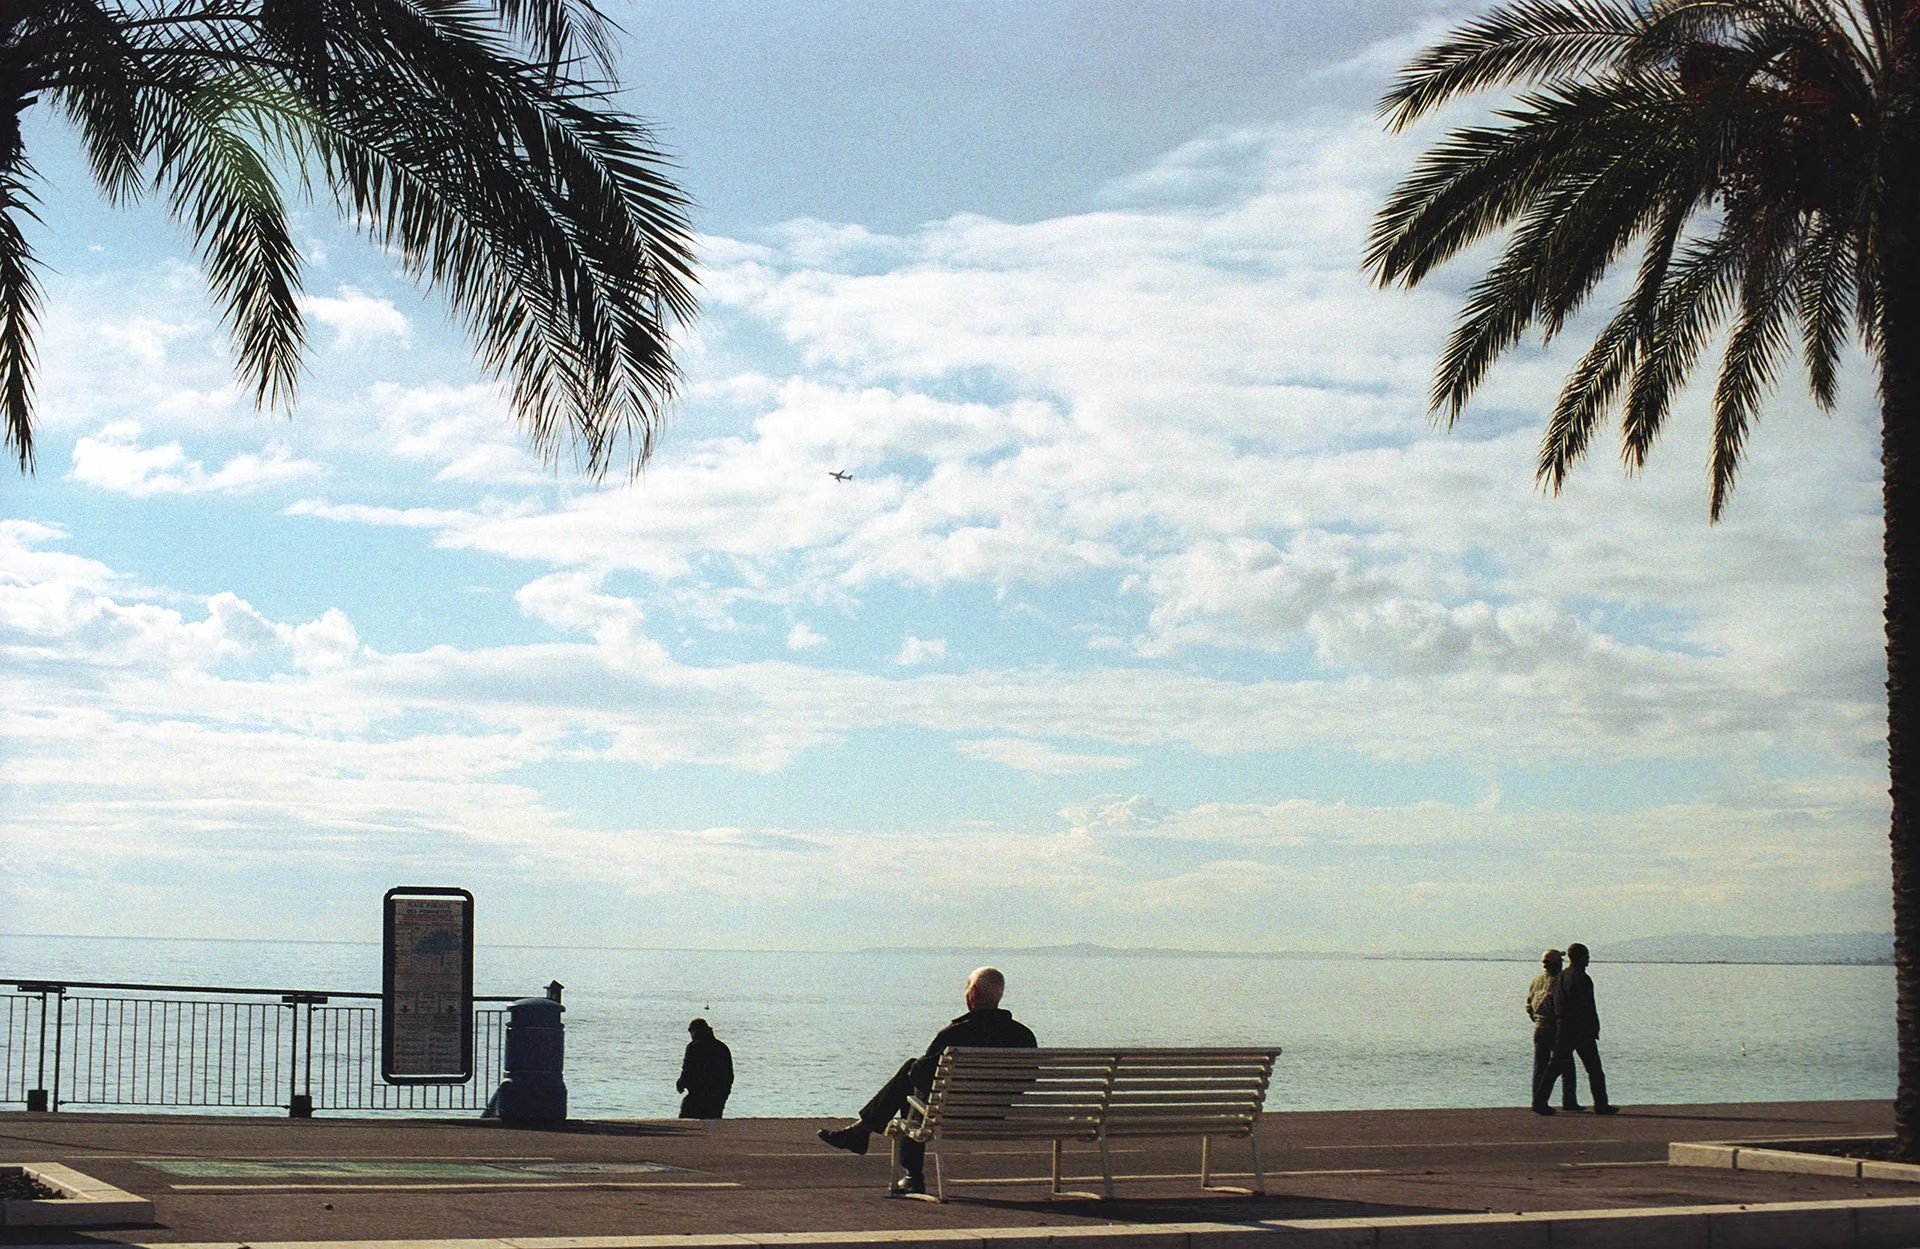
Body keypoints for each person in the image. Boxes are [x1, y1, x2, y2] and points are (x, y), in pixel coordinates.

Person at [816, 966, 1036, 1197]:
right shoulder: (1023, 1036)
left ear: (973, 993)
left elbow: (919, 1076)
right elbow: (1027, 1081)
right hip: (997, 1115)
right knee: (911, 1079)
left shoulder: (954, 1034)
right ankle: (861, 1133)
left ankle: (908, 1172)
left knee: (910, 1083)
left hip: (951, 1115)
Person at [1544, 943, 1618, 1115]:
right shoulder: (1581, 978)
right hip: (1581, 1030)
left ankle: (1540, 1101)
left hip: (1564, 1028)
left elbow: (1557, 1002)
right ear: (1578, 957)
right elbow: (1586, 1007)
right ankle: (1601, 1104)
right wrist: (1592, 1028)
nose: (1588, 959)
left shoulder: (1562, 977)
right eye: (1586, 956)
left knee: (1554, 1067)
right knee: (1594, 1070)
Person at [1525, 949, 1579, 1114]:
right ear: (1557, 963)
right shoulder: (1561, 981)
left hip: (1539, 1027)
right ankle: (1568, 1101)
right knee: (1567, 1065)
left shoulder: (1537, 981)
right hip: (1555, 1028)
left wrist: (1536, 1019)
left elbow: (1528, 1005)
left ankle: (1537, 1099)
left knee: (1540, 1066)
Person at [676, 1017, 734, 1119]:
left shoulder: (694, 1047)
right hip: (718, 1093)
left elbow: (688, 1069)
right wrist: (725, 1091)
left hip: (699, 1093)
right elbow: (729, 1074)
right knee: (713, 1118)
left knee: (687, 1115)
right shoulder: (721, 1047)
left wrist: (681, 1083)